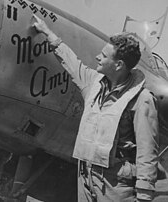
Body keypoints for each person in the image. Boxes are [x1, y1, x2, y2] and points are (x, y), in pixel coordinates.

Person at [32, 15, 159, 202]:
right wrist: (48, 32)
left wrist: (144, 196)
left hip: (116, 186)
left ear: (119, 65)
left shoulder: (143, 99)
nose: (97, 57)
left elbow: (147, 152)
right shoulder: (92, 83)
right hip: (85, 177)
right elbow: (72, 63)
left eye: (104, 56)